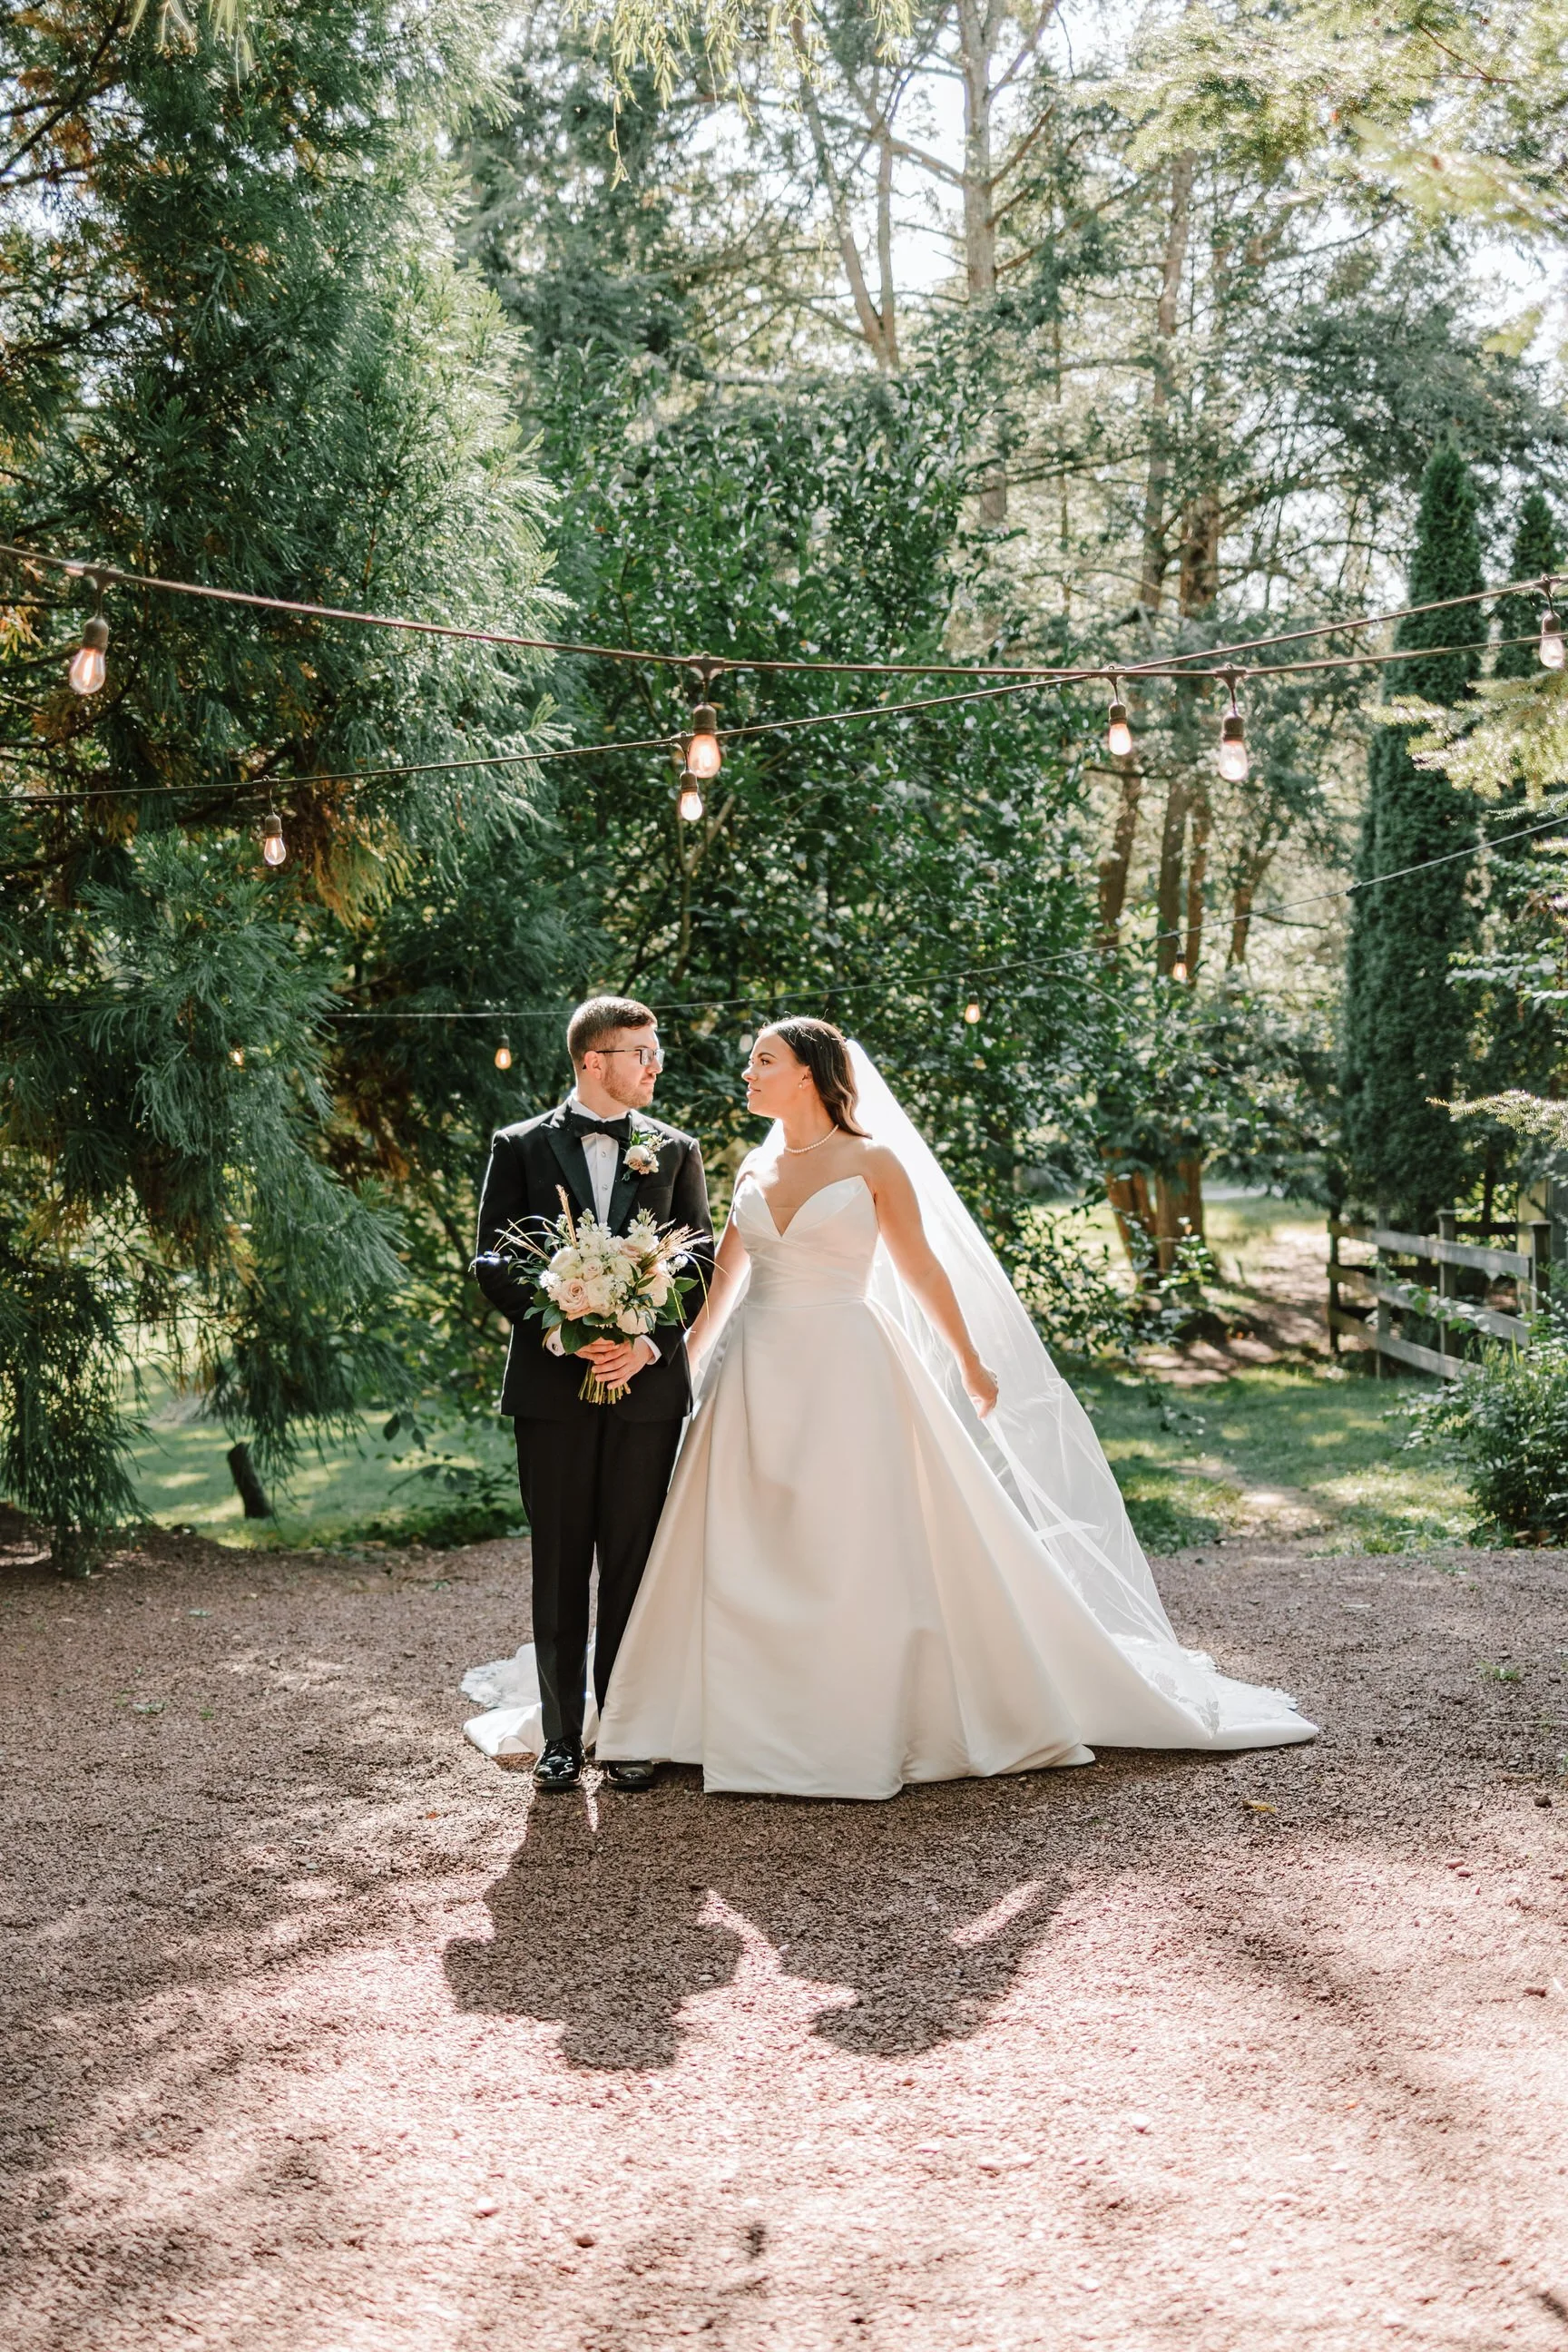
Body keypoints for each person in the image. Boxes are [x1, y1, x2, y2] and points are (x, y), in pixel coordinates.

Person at [589, 1017, 1315, 1799]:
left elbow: (922, 1268)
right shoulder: (754, 1170)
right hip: (754, 1375)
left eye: (763, 1062)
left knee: (855, 1537)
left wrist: (970, 1360)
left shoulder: (873, 1161)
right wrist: (677, 1367)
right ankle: (722, 1711)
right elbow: (724, 1287)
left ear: (807, 1074)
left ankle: (859, 1712)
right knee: (743, 1539)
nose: (748, 1075)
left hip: (848, 1370)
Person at [469, 995, 714, 1793]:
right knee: (561, 1560)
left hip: (645, 1390)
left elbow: (702, 1261)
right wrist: (558, 1329)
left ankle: (630, 1729)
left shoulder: (675, 1150)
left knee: (635, 1562)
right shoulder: (520, 1146)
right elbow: (493, 1261)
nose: (655, 1065)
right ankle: (562, 1737)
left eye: (655, 1052)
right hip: (552, 1388)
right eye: (640, 1052)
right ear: (591, 1061)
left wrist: (646, 1342)